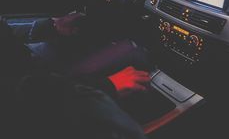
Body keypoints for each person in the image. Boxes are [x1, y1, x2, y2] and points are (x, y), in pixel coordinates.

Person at [1, 12, 151, 138]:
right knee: (133, 52)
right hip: (30, 91)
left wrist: (51, 26)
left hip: (25, 63)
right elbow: (21, 99)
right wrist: (107, 86)